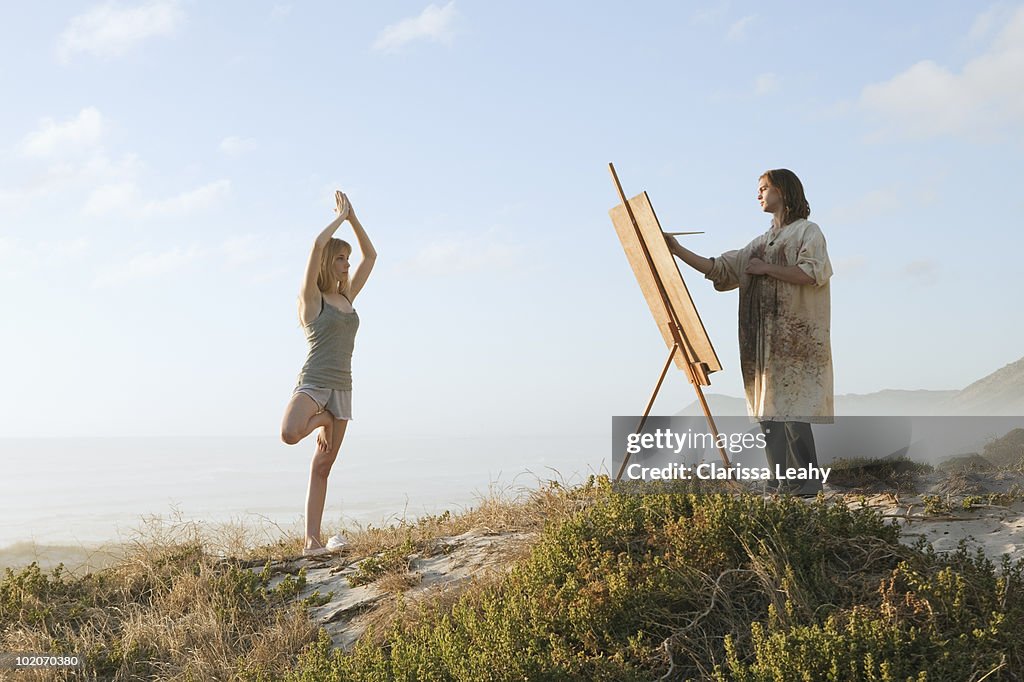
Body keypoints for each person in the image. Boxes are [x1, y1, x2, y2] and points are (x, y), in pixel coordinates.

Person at [666, 169, 833, 495]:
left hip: (796, 338)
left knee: (794, 409)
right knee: (767, 412)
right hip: (761, 343)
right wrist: (676, 250)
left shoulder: (808, 232)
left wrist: (767, 268)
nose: (758, 194)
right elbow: (719, 268)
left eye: (764, 188)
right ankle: (779, 481)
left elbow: (813, 273)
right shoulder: (758, 243)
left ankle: (808, 483)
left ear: (783, 191)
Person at [280, 190, 376, 555]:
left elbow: (372, 256)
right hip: (314, 383)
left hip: (342, 389)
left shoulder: (347, 298)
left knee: (322, 467)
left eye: (346, 258)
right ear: (326, 263)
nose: (347, 264)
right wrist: (339, 217)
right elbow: (316, 244)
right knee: (290, 433)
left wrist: (353, 220)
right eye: (340, 258)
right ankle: (321, 421)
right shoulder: (311, 299)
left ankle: (312, 541)